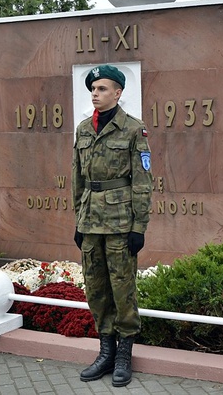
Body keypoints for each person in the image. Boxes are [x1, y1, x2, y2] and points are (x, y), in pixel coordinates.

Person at [71, 65, 153, 387]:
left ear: (118, 92)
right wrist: (78, 220)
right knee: (96, 288)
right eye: (93, 88)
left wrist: (139, 227)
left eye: (102, 88)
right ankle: (105, 351)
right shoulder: (82, 129)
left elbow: (142, 182)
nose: (95, 93)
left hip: (120, 223)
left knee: (123, 289)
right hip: (90, 222)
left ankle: (124, 354)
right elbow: (78, 178)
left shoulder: (133, 129)